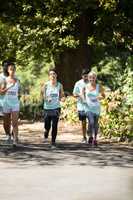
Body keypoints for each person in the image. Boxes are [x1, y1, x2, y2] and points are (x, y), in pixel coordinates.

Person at [41, 68, 64, 148]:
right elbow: (43, 95)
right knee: (47, 125)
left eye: (54, 74)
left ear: (56, 75)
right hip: (47, 108)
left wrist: (62, 98)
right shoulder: (46, 85)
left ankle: (53, 142)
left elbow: (61, 95)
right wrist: (47, 99)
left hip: (56, 107)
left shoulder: (60, 85)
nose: (52, 75)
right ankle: (46, 133)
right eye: (50, 74)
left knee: (54, 125)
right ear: (49, 76)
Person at [84, 71, 105, 146]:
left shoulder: (99, 86)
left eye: (93, 77)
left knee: (95, 124)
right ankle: (90, 135)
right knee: (91, 122)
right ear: (88, 78)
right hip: (88, 108)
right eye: (90, 77)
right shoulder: (85, 86)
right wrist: (84, 100)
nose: (91, 79)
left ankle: (95, 138)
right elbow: (82, 95)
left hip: (96, 108)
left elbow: (103, 96)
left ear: (95, 78)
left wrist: (99, 97)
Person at [3, 62, 20, 145]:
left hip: (15, 104)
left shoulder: (18, 80)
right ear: (8, 70)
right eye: (10, 69)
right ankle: (8, 135)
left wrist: (17, 98)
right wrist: (10, 86)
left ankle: (15, 139)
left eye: (13, 69)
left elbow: (19, 92)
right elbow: (1, 92)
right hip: (6, 103)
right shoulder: (5, 80)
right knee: (6, 122)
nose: (12, 71)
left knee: (15, 122)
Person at [73, 69, 89, 143]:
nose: (85, 77)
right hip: (81, 105)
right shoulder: (78, 83)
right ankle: (84, 137)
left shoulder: (92, 83)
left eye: (86, 75)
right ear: (82, 76)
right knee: (83, 122)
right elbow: (74, 94)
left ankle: (89, 133)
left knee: (91, 121)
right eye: (84, 76)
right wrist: (80, 94)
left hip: (91, 105)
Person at [0, 60, 13, 142]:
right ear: (2, 66)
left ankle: (13, 132)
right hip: (2, 101)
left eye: (8, 66)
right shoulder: (0, 77)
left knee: (13, 118)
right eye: (4, 65)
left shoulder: (14, 76)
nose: (6, 67)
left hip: (13, 101)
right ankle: (8, 134)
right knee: (6, 120)